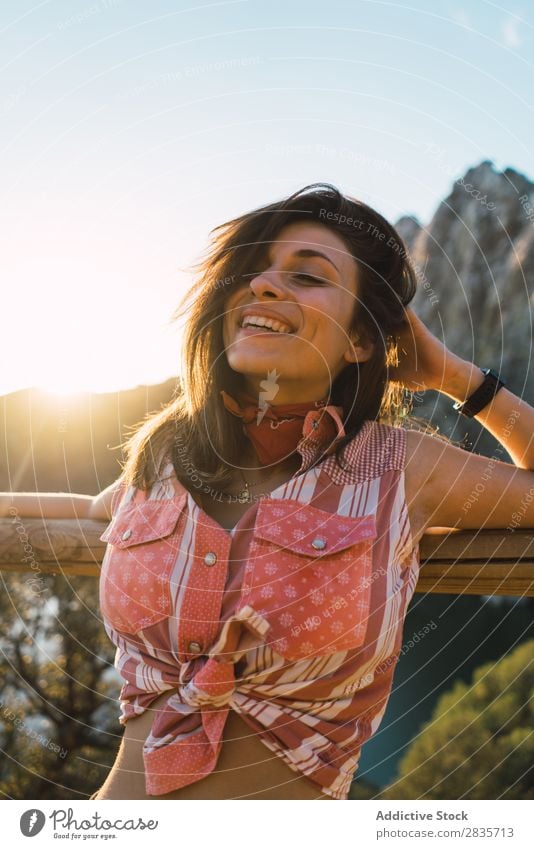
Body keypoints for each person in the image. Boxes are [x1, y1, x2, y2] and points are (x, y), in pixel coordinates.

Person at [3, 183, 534, 800]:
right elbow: (90, 511)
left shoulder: (399, 465)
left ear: (361, 340)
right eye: (252, 271)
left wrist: (456, 377)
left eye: (308, 276)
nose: (262, 285)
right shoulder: (166, 456)